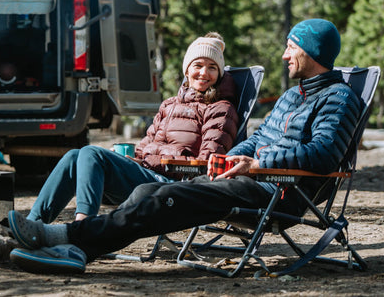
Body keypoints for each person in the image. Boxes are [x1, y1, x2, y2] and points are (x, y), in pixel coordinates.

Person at [7, 18, 364, 274]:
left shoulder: (339, 98)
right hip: (248, 179)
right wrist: (239, 154)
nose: (286, 55)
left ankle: (69, 239)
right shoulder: (291, 96)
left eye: (292, 47)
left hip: (278, 191)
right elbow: (259, 138)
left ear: (311, 50)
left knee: (162, 198)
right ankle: (76, 245)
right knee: (147, 189)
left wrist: (258, 164)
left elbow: (324, 154)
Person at [27, 33, 239, 223]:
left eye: (212, 68)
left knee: (91, 152)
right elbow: (145, 147)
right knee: (74, 156)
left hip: (173, 185)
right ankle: (33, 221)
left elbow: (207, 166)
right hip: (147, 173)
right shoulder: (170, 104)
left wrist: (153, 161)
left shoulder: (221, 109)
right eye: (198, 65)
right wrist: (132, 158)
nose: (204, 73)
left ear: (219, 74)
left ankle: (84, 227)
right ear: (187, 69)